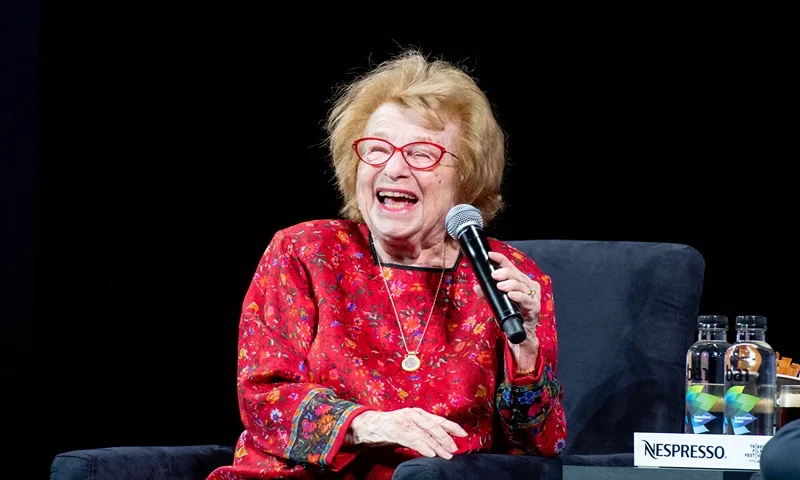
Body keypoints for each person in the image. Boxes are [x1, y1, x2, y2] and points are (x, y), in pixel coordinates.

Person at [206, 49, 566, 480]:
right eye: (377, 150)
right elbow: (263, 400)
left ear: (465, 176)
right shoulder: (306, 252)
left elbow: (539, 448)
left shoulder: (508, 277)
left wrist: (525, 353)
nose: (393, 169)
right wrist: (367, 423)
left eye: (421, 154)